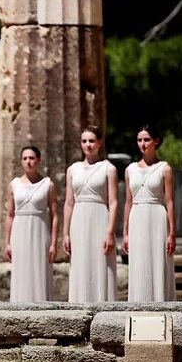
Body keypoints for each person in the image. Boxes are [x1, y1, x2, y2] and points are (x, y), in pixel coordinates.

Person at [63, 126, 118, 302]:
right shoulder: (73, 170)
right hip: (78, 220)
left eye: (92, 141)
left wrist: (110, 232)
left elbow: (114, 202)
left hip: (99, 217)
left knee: (101, 263)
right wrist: (65, 233)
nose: (88, 145)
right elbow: (69, 202)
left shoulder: (108, 168)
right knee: (80, 263)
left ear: (99, 143)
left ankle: (103, 304)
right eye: (84, 141)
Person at [123, 125, 175, 302]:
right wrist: (125, 233)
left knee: (159, 263)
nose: (143, 144)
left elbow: (169, 201)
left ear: (156, 141)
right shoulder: (130, 169)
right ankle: (139, 308)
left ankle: (161, 306)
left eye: (146, 139)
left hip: (157, 216)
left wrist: (172, 233)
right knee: (139, 265)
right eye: (139, 140)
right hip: (137, 217)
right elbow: (128, 202)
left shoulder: (164, 168)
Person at [5, 146, 58, 302]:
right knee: (21, 271)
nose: (28, 162)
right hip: (19, 232)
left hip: (40, 232)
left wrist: (54, 243)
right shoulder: (14, 185)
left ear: (39, 160)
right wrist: (7, 243)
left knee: (39, 271)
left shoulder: (48, 184)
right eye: (25, 158)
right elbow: (9, 215)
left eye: (32, 158)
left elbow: (55, 216)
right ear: (21, 161)